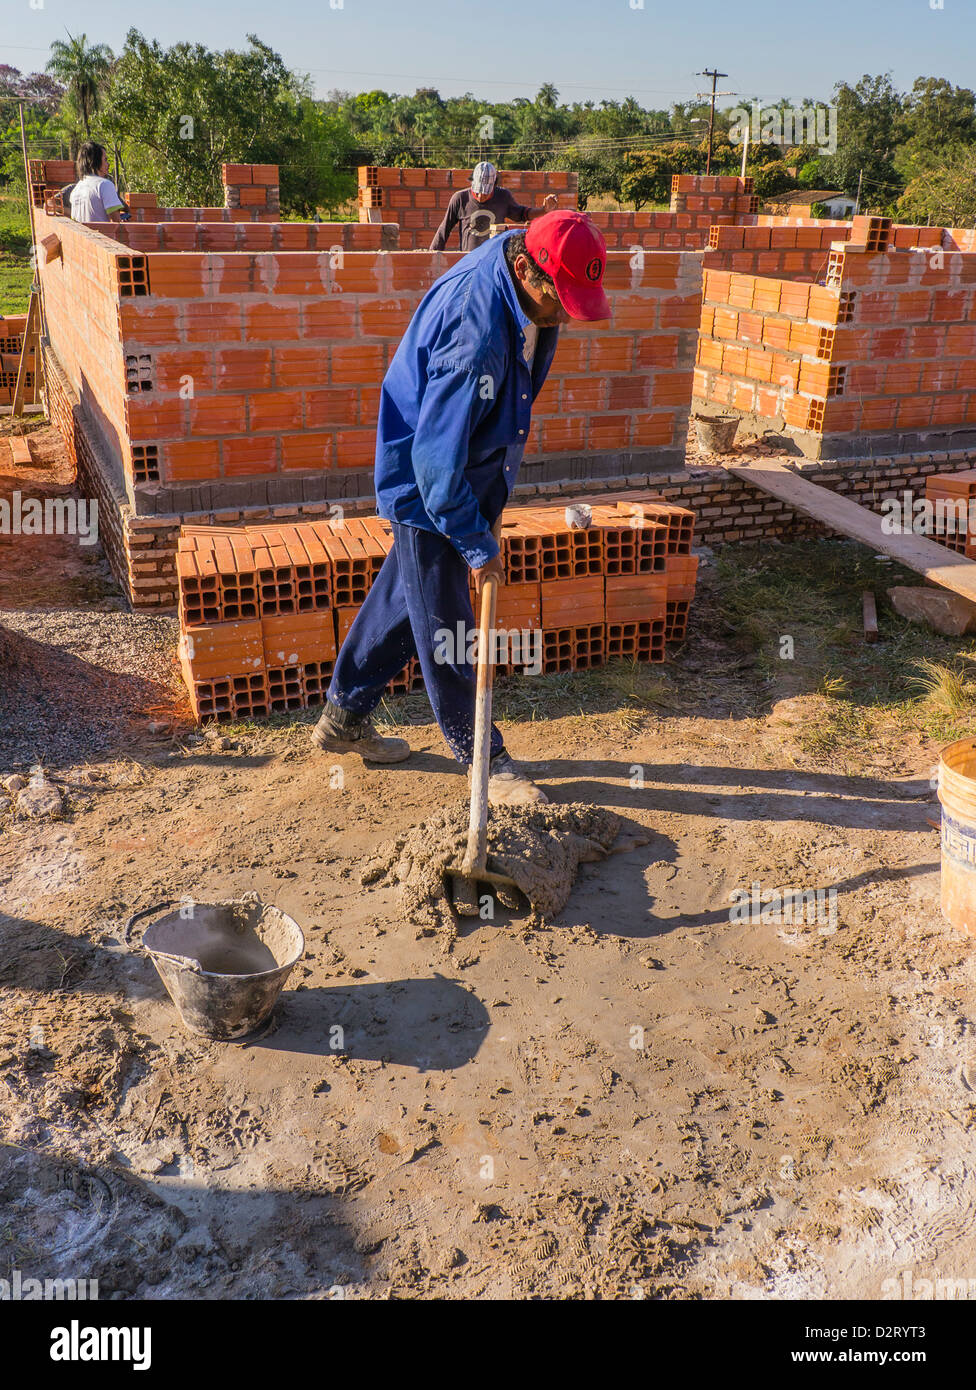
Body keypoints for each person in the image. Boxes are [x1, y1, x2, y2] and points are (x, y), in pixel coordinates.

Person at [311, 210, 612, 806]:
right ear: (526, 269)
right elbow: (434, 464)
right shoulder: (473, 338)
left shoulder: (523, 276)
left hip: (463, 473)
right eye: (561, 298)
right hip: (428, 486)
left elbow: (506, 399)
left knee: (405, 600)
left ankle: (343, 717)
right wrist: (477, 544)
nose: (564, 313)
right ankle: (482, 757)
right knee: (448, 624)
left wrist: (491, 493)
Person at [430, 161, 559, 254]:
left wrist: (544, 210)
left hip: (492, 259)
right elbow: (444, 230)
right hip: (468, 259)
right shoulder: (460, 199)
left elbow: (522, 214)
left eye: (485, 192)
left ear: (494, 185)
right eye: (477, 191)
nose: (481, 196)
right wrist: (431, 257)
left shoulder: (502, 197)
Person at [69, 142, 126, 224]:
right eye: (105, 160)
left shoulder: (77, 188)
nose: (108, 164)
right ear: (95, 161)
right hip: (101, 236)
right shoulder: (104, 185)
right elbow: (117, 223)